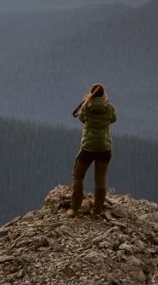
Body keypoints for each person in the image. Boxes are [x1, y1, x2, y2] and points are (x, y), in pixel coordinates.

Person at [68, 82, 117, 218]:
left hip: (88, 148)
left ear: (91, 93)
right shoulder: (109, 107)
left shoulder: (86, 106)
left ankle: (75, 207)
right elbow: (113, 119)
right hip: (104, 148)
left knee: (78, 175)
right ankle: (97, 210)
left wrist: (87, 102)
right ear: (103, 94)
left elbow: (81, 118)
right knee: (100, 178)